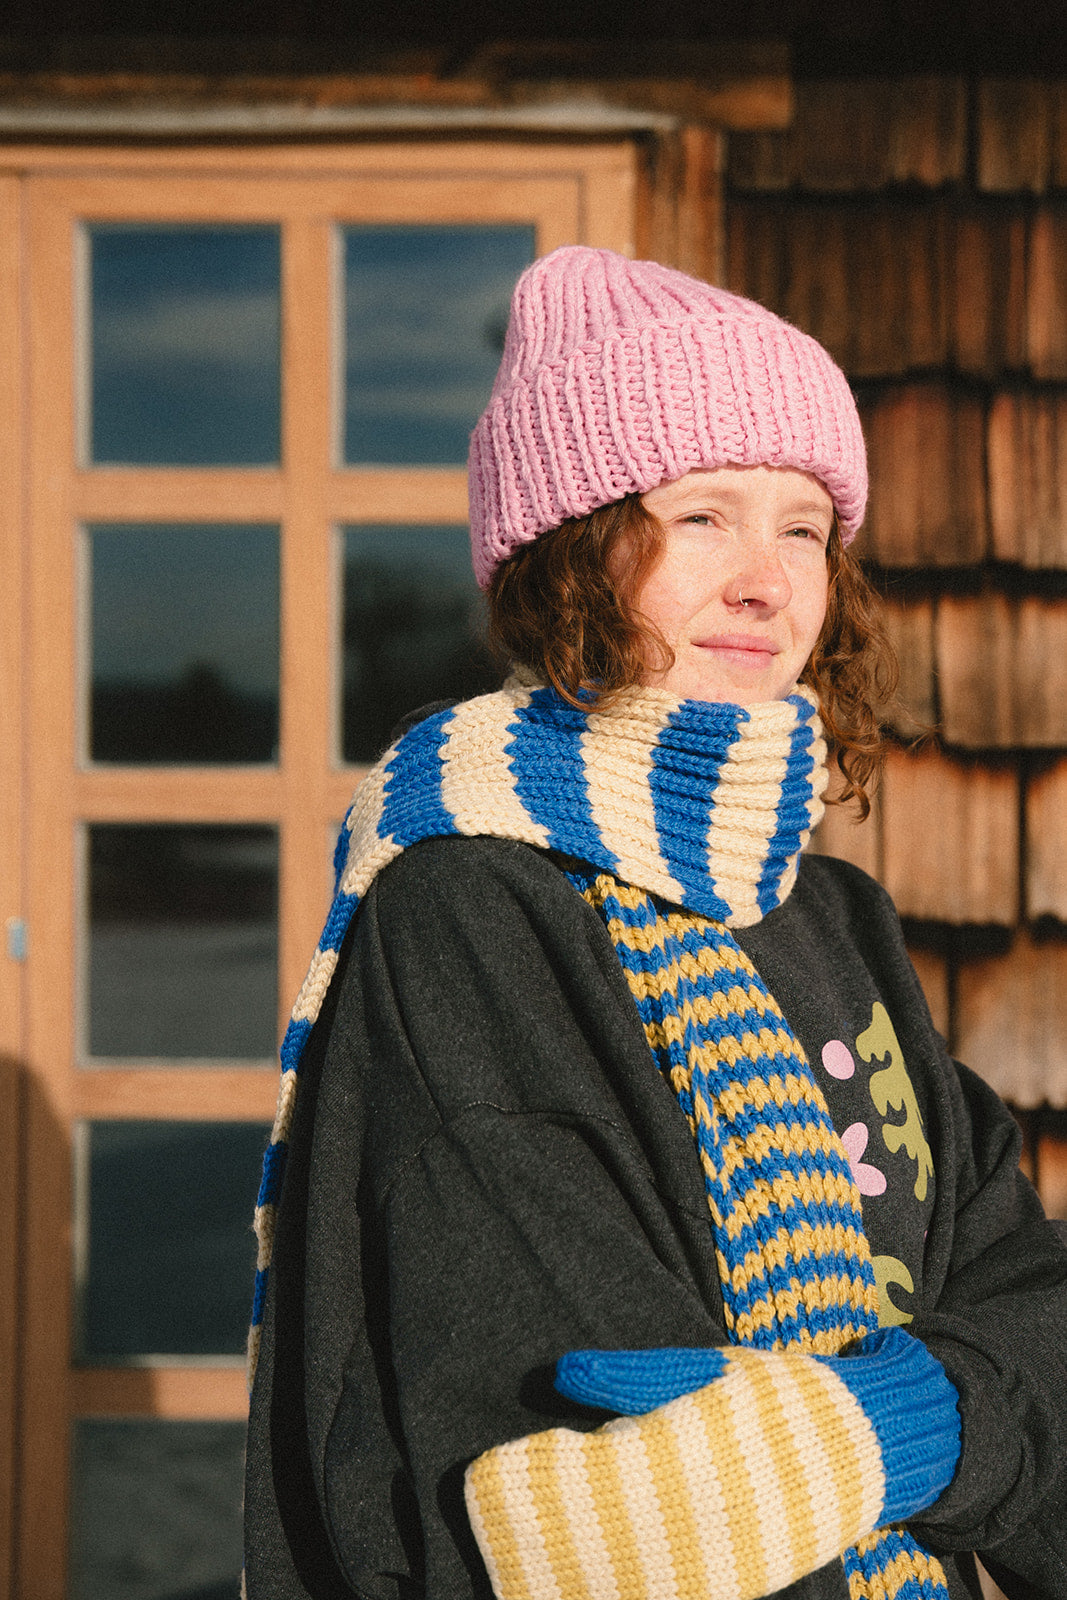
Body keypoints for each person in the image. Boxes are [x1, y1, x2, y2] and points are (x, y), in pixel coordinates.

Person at [243, 247, 1067, 1600]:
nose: (766, 580)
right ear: (568, 554)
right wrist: (936, 1419)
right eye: (702, 518)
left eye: (804, 527)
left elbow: (1034, 1312)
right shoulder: (468, 910)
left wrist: (895, 1430)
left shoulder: (826, 913)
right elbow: (594, 1479)